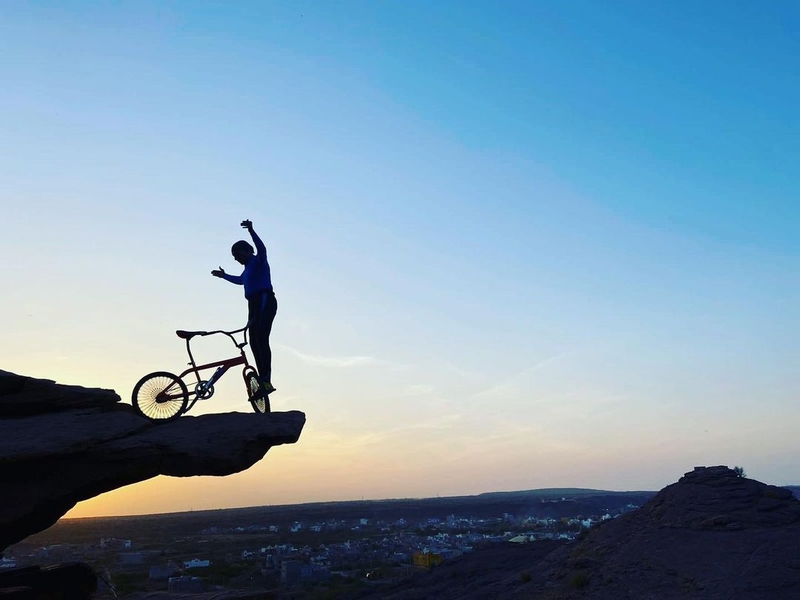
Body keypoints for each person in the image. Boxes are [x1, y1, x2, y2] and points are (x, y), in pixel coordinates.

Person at [212, 219, 278, 395]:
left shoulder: (259, 261)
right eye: (234, 256)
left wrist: (251, 230)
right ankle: (263, 379)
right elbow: (240, 281)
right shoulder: (247, 269)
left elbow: (262, 249)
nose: (236, 258)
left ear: (248, 250)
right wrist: (224, 276)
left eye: (238, 253)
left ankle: (266, 379)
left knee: (261, 337)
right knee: (253, 340)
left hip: (265, 299)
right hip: (253, 304)